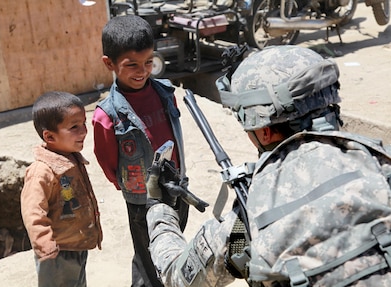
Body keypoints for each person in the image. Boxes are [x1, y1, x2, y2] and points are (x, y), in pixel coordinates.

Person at [145, 45, 391, 286]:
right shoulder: (380, 162)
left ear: (264, 132)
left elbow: (178, 276)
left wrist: (160, 208)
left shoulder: (247, 218)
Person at [92, 15, 190, 287]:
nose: (142, 70)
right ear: (109, 63)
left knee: (171, 245)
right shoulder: (106, 114)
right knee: (149, 261)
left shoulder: (165, 92)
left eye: (148, 62)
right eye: (131, 65)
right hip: (141, 201)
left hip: (176, 188)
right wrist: (126, 186)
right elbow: (107, 161)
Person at [21, 91, 103, 287]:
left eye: (83, 123)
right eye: (74, 127)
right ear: (49, 136)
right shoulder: (42, 171)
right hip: (57, 252)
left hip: (76, 247)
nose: (83, 131)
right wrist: (45, 245)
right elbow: (33, 212)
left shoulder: (71, 157)